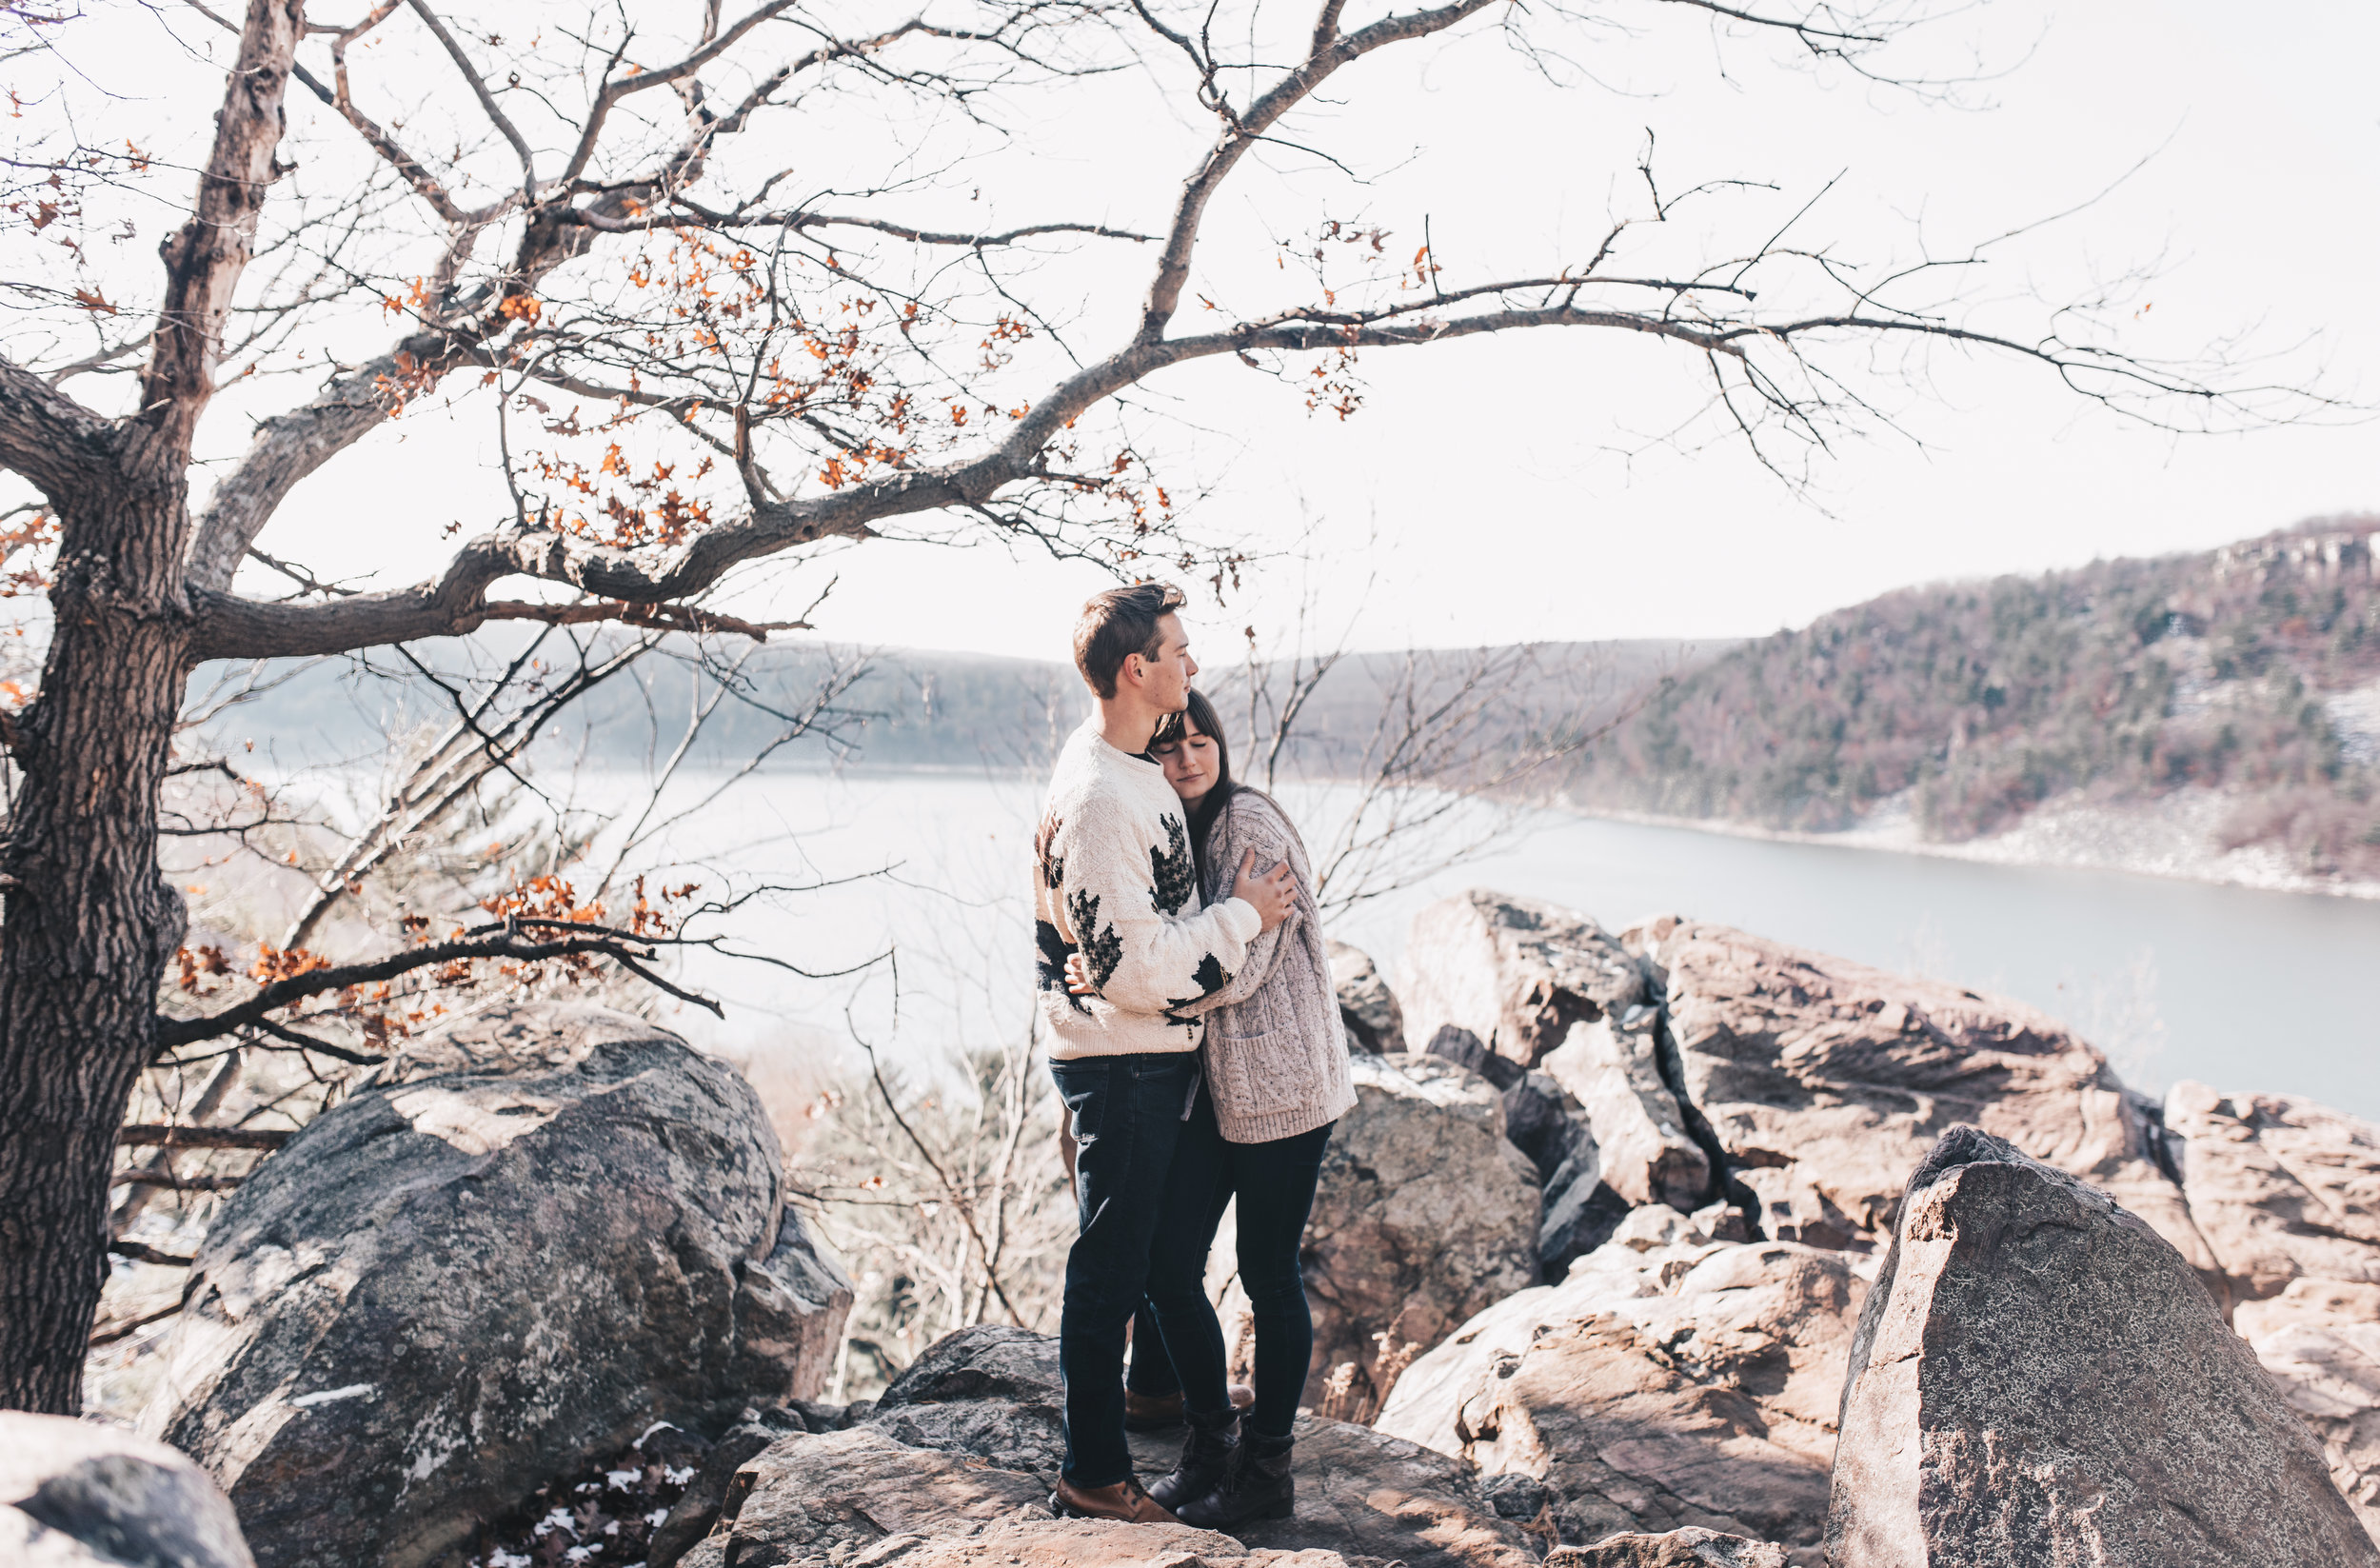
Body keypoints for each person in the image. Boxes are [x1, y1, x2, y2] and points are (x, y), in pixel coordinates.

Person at [1034, 583, 1297, 1524]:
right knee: (1110, 1268)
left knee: (1140, 1255)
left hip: (1139, 1058)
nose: (1193, 665)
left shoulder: (1126, 765)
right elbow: (1133, 970)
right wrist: (1243, 915)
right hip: (1124, 1066)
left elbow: (1099, 945)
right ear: (1137, 671)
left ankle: (1144, 1404)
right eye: (1179, 651)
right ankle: (1096, 1473)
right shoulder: (1104, 796)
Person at [1064, 686, 1355, 1528]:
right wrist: (1121, 965)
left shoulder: (1250, 826)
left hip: (1286, 1087)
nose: (1188, 758)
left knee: (1267, 1273)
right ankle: (1209, 1437)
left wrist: (1129, 984)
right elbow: (1150, 937)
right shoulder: (1172, 830)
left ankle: (1266, 1466)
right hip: (1216, 1086)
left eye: (1202, 742)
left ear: (1221, 747)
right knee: (1164, 1263)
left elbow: (1244, 966)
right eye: (1169, 746)